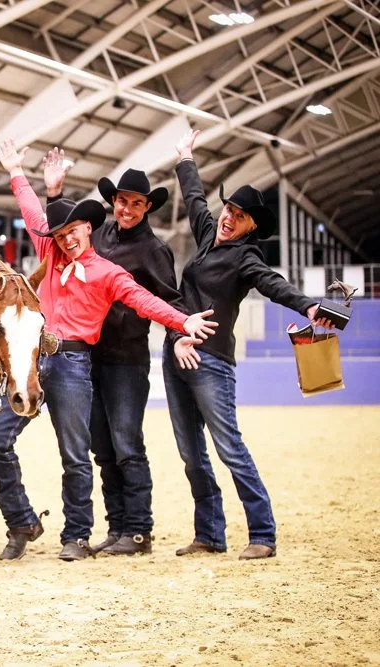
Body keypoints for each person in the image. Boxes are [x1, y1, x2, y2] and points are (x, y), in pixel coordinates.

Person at [0, 139, 218, 562]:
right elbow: (35, 215)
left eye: (73, 231)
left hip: (76, 362)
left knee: (79, 454)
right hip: (35, 359)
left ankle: (78, 536)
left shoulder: (111, 271)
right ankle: (21, 519)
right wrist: (18, 173)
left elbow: (146, 300)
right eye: (61, 234)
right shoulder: (51, 251)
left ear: (87, 229)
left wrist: (183, 322)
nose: (66, 239)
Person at [165, 128, 333, 560]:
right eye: (230, 209)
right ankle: (210, 535)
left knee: (229, 448)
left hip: (212, 362)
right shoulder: (206, 233)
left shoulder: (246, 257)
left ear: (251, 226)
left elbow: (273, 284)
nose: (229, 216)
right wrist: (186, 158)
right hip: (177, 354)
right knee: (192, 455)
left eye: (239, 215)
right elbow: (197, 197)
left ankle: (263, 534)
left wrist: (309, 308)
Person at [42, 151, 182, 556]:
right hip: (87, 358)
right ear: (113, 202)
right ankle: (117, 526)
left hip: (126, 359)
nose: (127, 208)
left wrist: (182, 332)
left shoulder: (154, 250)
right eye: (122, 201)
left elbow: (167, 299)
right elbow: (61, 234)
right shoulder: (97, 238)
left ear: (147, 207)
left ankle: (138, 530)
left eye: (137, 203)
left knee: (126, 443)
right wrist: (55, 191)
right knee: (102, 448)